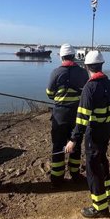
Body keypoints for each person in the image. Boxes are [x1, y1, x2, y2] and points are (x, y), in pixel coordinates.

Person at [65, 50, 110, 218]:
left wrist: (73, 140)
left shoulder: (89, 87)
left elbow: (82, 118)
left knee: (93, 167)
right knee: (102, 160)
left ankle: (100, 207)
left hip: (95, 132)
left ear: (87, 66)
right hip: (107, 130)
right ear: (102, 65)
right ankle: (107, 194)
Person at [45, 43, 89, 186]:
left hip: (60, 115)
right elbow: (86, 92)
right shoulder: (83, 72)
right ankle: (75, 174)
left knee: (58, 146)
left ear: (62, 57)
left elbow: (50, 94)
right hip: (77, 114)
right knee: (75, 144)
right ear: (74, 56)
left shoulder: (56, 72)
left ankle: (57, 179)